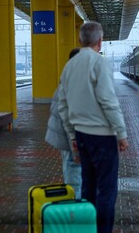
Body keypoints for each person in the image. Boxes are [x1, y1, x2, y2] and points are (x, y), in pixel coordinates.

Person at [58, 21, 128, 233]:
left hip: (81, 135)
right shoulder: (100, 62)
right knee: (107, 189)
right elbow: (108, 100)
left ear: (80, 40)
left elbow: (63, 104)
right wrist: (121, 133)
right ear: (100, 41)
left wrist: (72, 137)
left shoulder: (69, 65)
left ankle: (87, 229)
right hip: (103, 137)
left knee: (88, 187)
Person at [45, 47, 82, 198]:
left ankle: (77, 210)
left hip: (67, 138)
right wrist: (75, 144)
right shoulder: (75, 84)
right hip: (71, 140)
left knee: (75, 177)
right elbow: (70, 117)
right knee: (75, 181)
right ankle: (76, 215)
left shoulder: (69, 78)